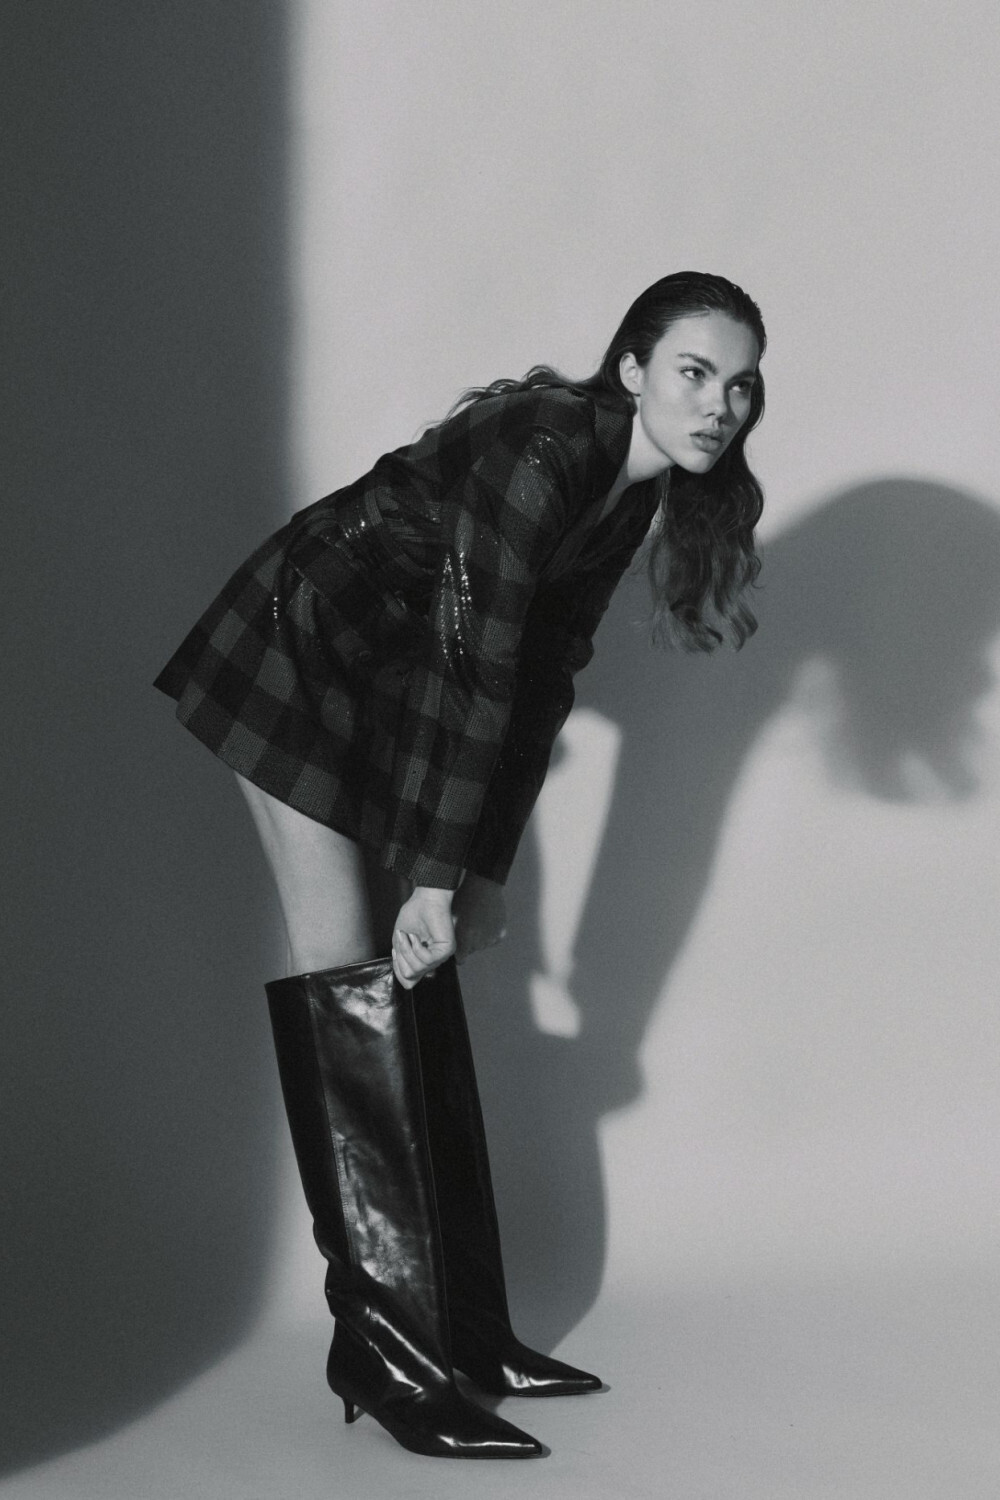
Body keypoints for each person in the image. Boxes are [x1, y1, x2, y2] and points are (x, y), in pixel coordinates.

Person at [154, 270, 767, 1459]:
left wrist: (477, 871)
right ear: (632, 367)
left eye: (740, 386)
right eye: (694, 372)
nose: (717, 405)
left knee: (412, 979)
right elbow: (472, 662)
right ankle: (386, 1355)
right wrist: (435, 877)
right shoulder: (545, 451)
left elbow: (538, 684)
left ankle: (468, 1332)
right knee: (350, 972)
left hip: (382, 683)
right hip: (291, 655)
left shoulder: (628, 496)